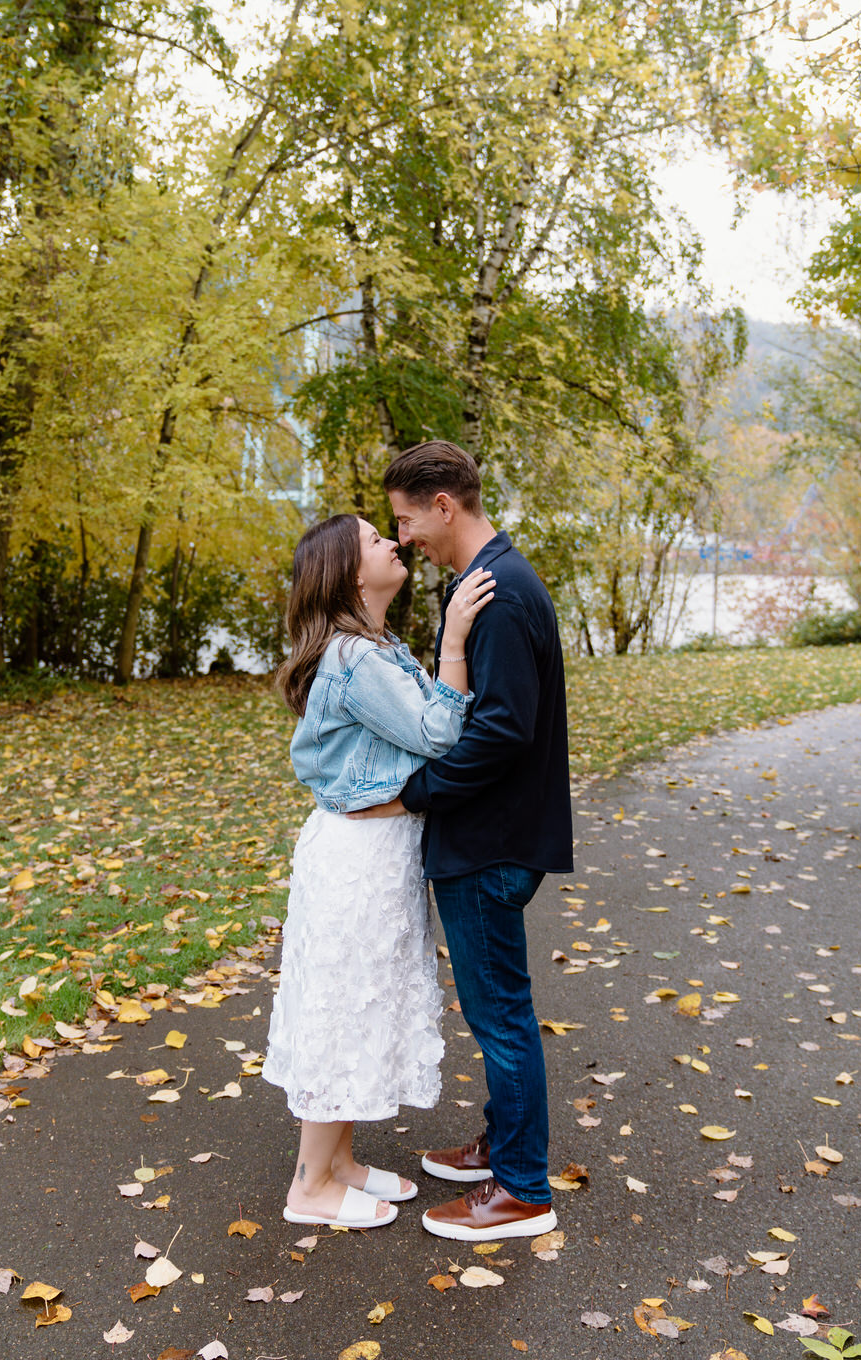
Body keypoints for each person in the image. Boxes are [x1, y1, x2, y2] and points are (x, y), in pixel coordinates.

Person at [350, 440, 574, 1241]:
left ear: (444, 506)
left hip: (491, 843)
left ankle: (520, 1190)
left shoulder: (503, 595)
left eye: (407, 520)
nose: (403, 536)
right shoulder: (491, 584)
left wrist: (415, 795)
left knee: (502, 1016)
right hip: (490, 836)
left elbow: (502, 731)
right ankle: (502, 1145)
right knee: (496, 1013)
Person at [262, 511, 495, 1229]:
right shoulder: (354, 658)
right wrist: (455, 637)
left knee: (361, 1001)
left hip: (374, 853)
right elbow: (436, 733)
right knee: (342, 1006)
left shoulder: (375, 645)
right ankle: (310, 1187)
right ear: (349, 573)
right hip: (356, 859)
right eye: (373, 539)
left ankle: (339, 1165)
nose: (392, 542)